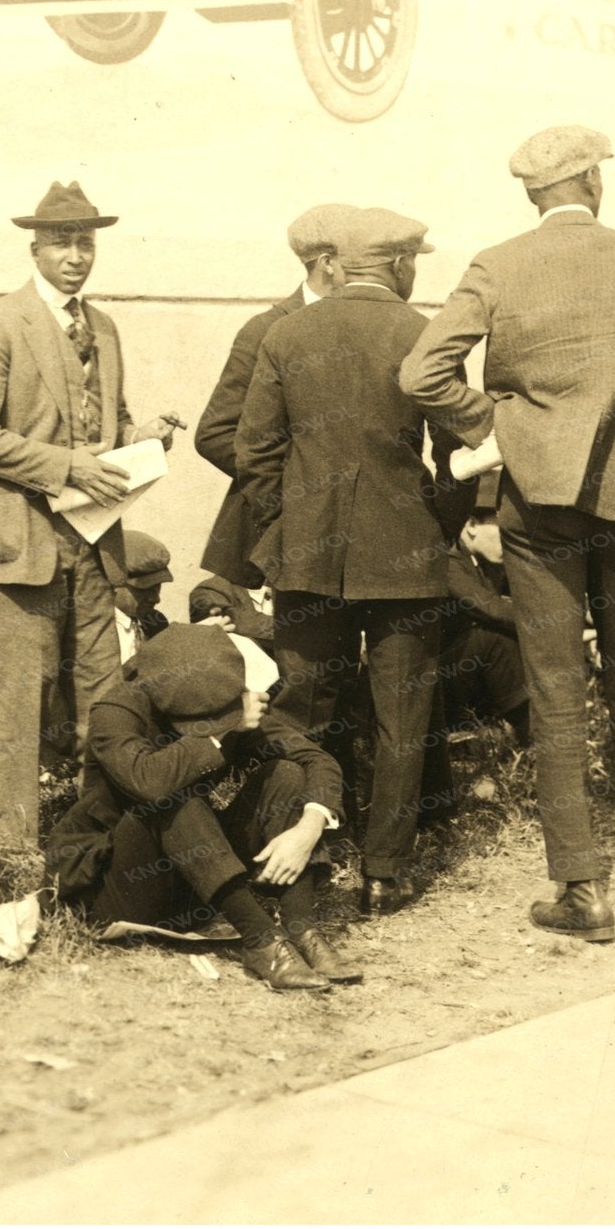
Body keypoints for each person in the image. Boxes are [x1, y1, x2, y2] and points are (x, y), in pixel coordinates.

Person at [399, 124, 615, 943]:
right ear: (594, 183)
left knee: (554, 695)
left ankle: (582, 891)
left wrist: (505, 430)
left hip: (537, 510)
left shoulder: (498, 263)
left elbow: (421, 373)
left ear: (531, 194)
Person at [0, 181, 185, 842]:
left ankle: (97, 842)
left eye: (86, 242)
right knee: (26, 699)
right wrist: (65, 465)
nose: (76, 255)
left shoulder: (104, 329)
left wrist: (145, 440)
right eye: (62, 243)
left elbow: (112, 420)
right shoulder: (0, 324)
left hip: (93, 542)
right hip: (19, 542)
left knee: (105, 697)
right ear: (35, 250)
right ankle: (20, 849)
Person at [237, 206, 455, 916]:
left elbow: (254, 454)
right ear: (396, 265)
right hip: (405, 561)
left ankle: (294, 857)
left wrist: (284, 535)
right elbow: (459, 455)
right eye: (413, 260)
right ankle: (385, 874)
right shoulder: (421, 332)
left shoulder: (286, 333)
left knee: (301, 712)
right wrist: (435, 529)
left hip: (309, 559)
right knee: (402, 719)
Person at [43, 625, 351, 991]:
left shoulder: (222, 696)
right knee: (172, 796)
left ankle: (301, 929)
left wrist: (309, 827)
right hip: (119, 884)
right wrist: (220, 731)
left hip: (196, 881)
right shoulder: (116, 712)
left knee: (284, 773)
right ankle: (261, 941)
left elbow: (316, 759)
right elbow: (149, 781)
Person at [196, 204, 353, 588]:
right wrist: (294, 491)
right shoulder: (266, 329)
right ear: (328, 262)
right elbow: (215, 434)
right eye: (360, 256)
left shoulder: (359, 326)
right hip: (271, 537)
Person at [438, 501, 530, 739]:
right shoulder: (446, 558)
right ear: (471, 525)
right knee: (493, 637)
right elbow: (492, 610)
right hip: (437, 681)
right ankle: (532, 730)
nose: (510, 540)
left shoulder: (489, 560)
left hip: (467, 672)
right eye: (504, 530)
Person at [113, 529, 172, 661]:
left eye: (158, 588)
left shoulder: (156, 624)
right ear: (114, 583)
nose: (156, 598)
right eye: (146, 588)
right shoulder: (94, 630)